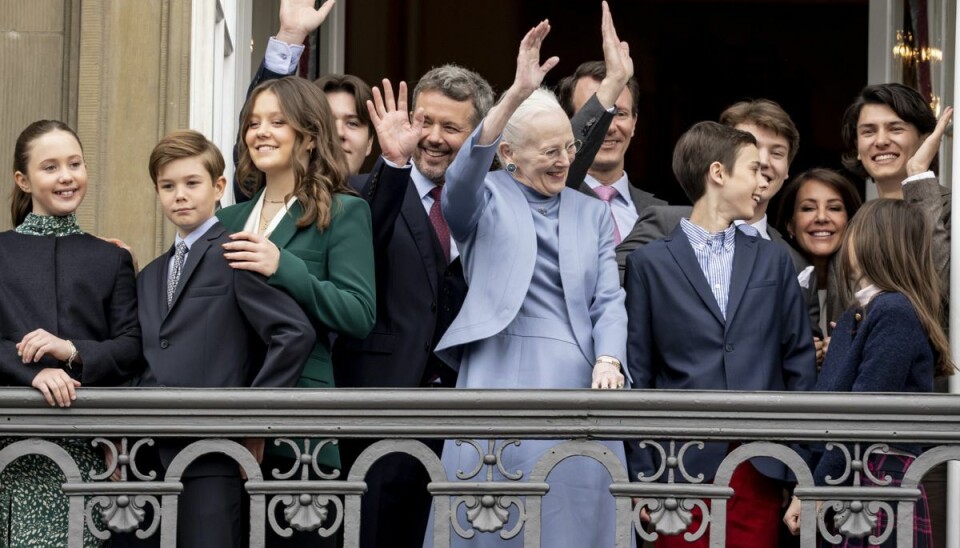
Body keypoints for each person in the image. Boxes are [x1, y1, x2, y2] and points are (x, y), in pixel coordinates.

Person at [415, 16, 629, 547]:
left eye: (567, 148)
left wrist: (610, 358)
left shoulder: (590, 212)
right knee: (493, 517)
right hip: (499, 372)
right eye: (550, 151)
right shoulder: (482, 199)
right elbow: (463, 174)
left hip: (582, 378)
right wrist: (514, 95)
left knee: (574, 522)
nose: (566, 161)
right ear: (509, 156)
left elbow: (609, 297)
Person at [623, 121, 816, 547]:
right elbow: (640, 376)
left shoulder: (774, 261)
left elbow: (799, 366)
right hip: (677, 468)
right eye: (753, 169)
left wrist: (802, 472)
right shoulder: (649, 264)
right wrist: (642, 477)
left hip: (761, 463)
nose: (763, 180)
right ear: (717, 173)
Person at [122, 130, 316, 548]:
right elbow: (140, 353)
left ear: (219, 187)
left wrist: (255, 420)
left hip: (213, 452)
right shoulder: (150, 274)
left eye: (192, 183)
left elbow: (293, 333)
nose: (180, 195)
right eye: (168, 186)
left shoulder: (236, 253)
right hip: (147, 453)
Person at [217, 75, 376, 547]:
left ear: (308, 134)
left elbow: (358, 313)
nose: (260, 132)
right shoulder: (225, 220)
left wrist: (284, 266)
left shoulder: (344, 212)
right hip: (220, 418)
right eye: (253, 123)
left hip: (300, 429)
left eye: (276, 122)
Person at [0, 120, 142, 546]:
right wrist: (33, 373)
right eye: (51, 167)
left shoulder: (110, 258)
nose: (66, 176)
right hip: (9, 441)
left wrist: (70, 351)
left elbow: (133, 347)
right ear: (23, 180)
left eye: (75, 163)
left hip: (84, 449)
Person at [783, 199, 953, 546]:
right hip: (852, 476)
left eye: (856, 231)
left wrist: (815, 487)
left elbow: (862, 412)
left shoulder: (893, 311)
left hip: (878, 479)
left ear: (876, 241)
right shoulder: (860, 313)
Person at [558, 60, 666, 238]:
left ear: (634, 123)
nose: (609, 127)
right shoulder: (547, 200)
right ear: (569, 122)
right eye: (595, 114)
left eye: (621, 114)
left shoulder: (661, 214)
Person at [777, 169, 862, 345]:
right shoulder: (773, 280)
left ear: (851, 221)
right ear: (790, 224)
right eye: (808, 208)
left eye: (834, 208)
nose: (822, 217)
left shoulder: (868, 286)